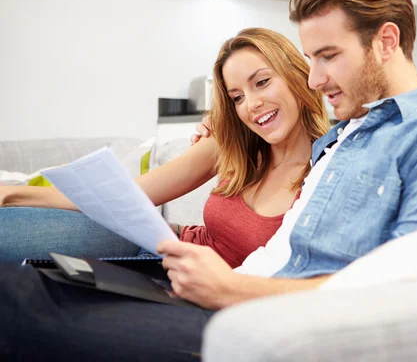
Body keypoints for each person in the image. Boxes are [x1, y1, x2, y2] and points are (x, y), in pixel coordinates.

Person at [0, 0, 417, 360]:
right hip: (215, 289)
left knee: (15, 298)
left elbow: (416, 290)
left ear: (386, 41)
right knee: (29, 280)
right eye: (311, 60)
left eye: (327, 56)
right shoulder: (347, 136)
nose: (315, 78)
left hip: (262, 319)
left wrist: (231, 288)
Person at [0, 27, 330, 265]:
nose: (252, 104)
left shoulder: (331, 168)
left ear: (299, 74)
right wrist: (12, 194)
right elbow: (126, 196)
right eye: (237, 98)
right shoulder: (229, 147)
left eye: (262, 82)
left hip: (199, 287)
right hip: (156, 245)